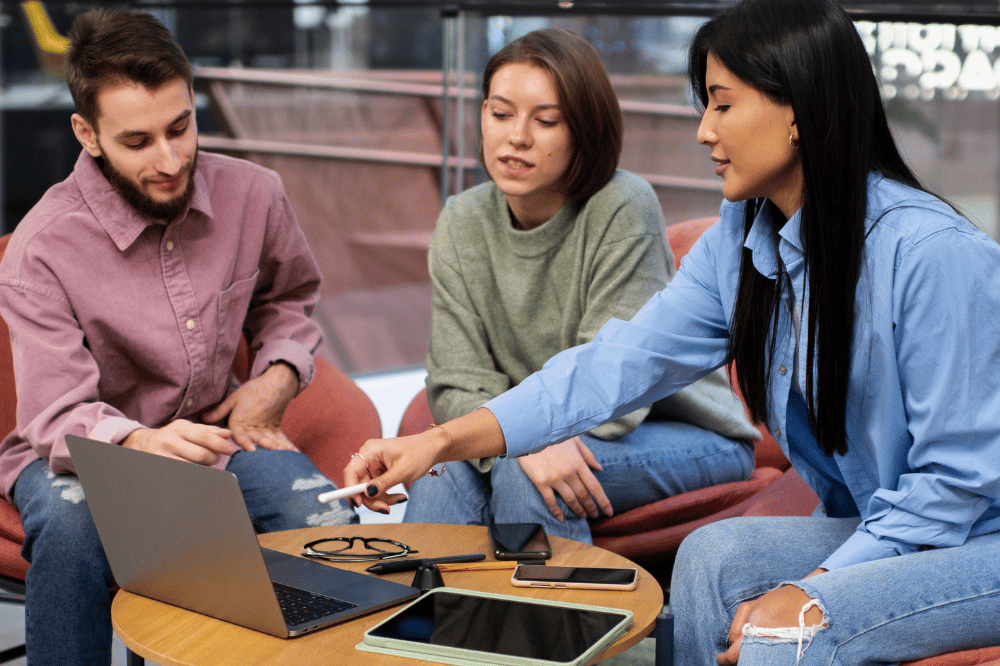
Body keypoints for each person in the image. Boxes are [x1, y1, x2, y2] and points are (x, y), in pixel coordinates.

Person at [345, 0, 1000, 663]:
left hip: (978, 538)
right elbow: (612, 366)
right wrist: (437, 441)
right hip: (887, 521)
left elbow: (953, 486)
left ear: (797, 112)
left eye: (723, 104)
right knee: (712, 555)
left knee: (792, 627)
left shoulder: (934, 254)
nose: (704, 131)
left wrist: (815, 587)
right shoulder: (741, 241)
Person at [0, 9, 356, 665]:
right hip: (78, 452)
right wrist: (137, 441)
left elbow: (289, 299)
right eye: (138, 142)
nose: (169, 160)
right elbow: (53, 414)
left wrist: (278, 375)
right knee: (74, 528)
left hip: (211, 438)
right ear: (87, 134)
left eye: (180, 128)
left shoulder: (256, 195)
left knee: (326, 524)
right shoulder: (41, 249)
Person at [402, 28, 759, 543]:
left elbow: (618, 384)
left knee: (520, 469)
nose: (516, 137)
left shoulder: (622, 205)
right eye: (500, 114)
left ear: (584, 130)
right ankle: (428, 600)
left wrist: (522, 441)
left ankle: (561, 600)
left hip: (686, 435)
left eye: (546, 121)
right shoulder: (462, 220)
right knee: (440, 472)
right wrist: (512, 439)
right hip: (543, 423)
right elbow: (455, 382)